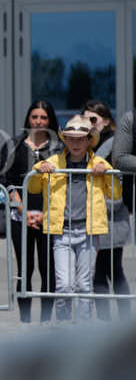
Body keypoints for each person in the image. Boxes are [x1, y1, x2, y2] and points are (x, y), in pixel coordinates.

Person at [29, 114, 121, 322]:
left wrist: (107, 172)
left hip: (88, 231)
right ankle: (63, 324)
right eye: (71, 138)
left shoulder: (99, 163)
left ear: (89, 140)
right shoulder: (53, 162)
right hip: (61, 232)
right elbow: (33, 188)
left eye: (80, 139)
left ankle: (83, 327)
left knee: (84, 285)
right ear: (65, 140)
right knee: (64, 285)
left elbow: (115, 194)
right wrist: (38, 169)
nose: (76, 143)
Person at [0, 101, 61, 322]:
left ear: (50, 120)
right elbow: (4, 180)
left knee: (48, 268)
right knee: (25, 268)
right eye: (35, 117)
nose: (39, 122)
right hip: (19, 216)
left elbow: (63, 182)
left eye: (43, 117)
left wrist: (44, 213)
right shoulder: (13, 145)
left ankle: (45, 320)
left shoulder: (58, 147)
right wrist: (24, 212)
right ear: (28, 119)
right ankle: (25, 320)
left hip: (49, 216)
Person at [82, 100, 131, 320]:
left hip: (112, 218)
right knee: (102, 271)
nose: (89, 124)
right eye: (85, 120)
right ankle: (107, 321)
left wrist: (99, 203)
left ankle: (121, 320)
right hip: (96, 217)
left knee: (110, 270)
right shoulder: (87, 145)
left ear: (107, 121)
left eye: (93, 119)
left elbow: (119, 186)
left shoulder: (113, 145)